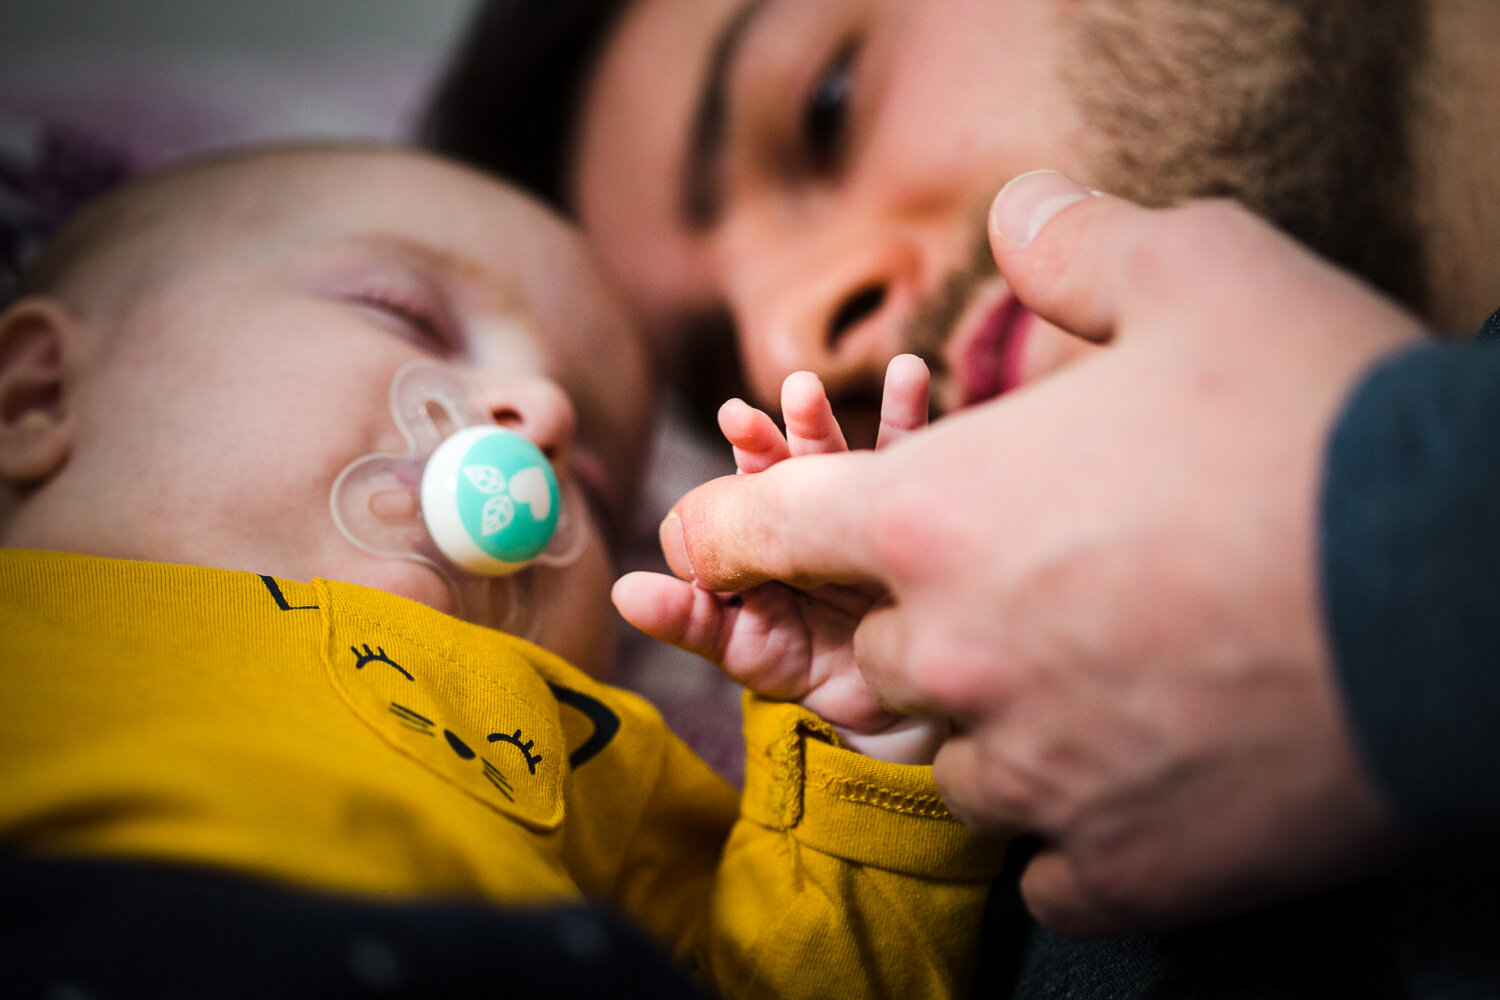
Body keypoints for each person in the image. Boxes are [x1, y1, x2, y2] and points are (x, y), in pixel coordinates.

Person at [420, 3, 1500, 994]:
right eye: (719, 380)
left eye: (826, 111)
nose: (788, 337)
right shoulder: (1034, 819)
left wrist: (1380, 566)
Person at [0, 143, 1007, 998]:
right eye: (407, 315)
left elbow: (797, 976)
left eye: (603, 489)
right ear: (33, 399)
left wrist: (865, 723)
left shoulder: (588, 743)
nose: (546, 417)